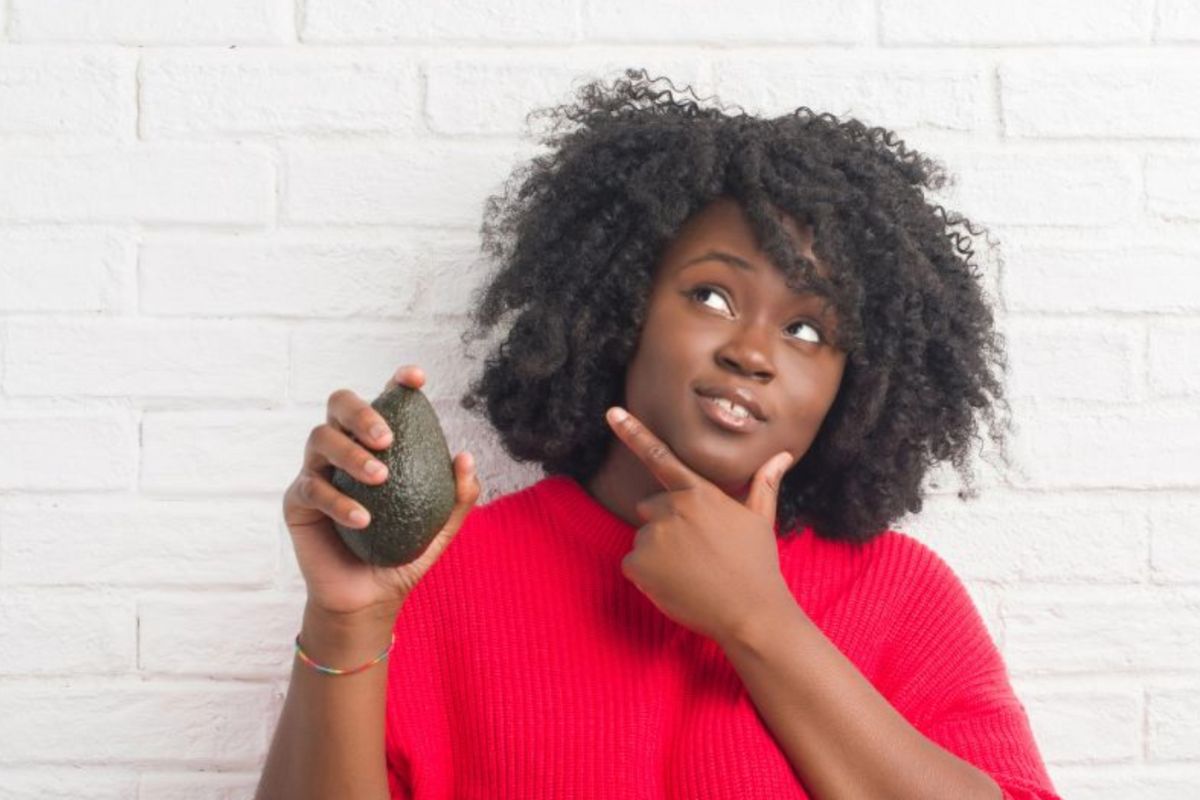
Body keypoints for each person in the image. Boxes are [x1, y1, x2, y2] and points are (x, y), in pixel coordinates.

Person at [256, 69, 1061, 799]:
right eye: (711, 295)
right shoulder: (443, 576)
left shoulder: (899, 597)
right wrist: (348, 619)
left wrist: (760, 620)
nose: (751, 351)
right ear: (622, 310)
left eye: (811, 333)